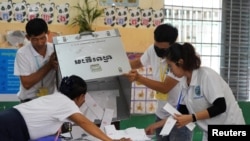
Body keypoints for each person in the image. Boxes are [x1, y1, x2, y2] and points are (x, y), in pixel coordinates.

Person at [0, 75, 131, 141]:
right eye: (84, 97)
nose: (84, 100)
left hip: (9, 118)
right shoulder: (67, 104)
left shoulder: (56, 97)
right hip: (11, 127)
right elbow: (84, 122)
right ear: (80, 96)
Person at [164, 42, 246, 141]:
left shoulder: (206, 76)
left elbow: (220, 106)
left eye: (170, 66)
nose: (170, 71)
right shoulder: (184, 82)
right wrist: (157, 125)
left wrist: (192, 117)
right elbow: (182, 112)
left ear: (180, 62)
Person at [125, 24, 192, 141]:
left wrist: (139, 78)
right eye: (156, 47)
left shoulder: (178, 60)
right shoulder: (152, 50)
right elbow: (138, 63)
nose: (158, 52)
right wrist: (118, 66)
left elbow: (165, 87)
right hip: (161, 114)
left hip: (180, 118)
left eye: (163, 49)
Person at [14, 18, 58, 103]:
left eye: (42, 38)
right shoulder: (22, 53)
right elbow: (27, 83)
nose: (40, 43)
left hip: (50, 100)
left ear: (47, 33)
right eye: (35, 39)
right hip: (29, 101)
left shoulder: (55, 49)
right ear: (28, 37)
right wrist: (49, 65)